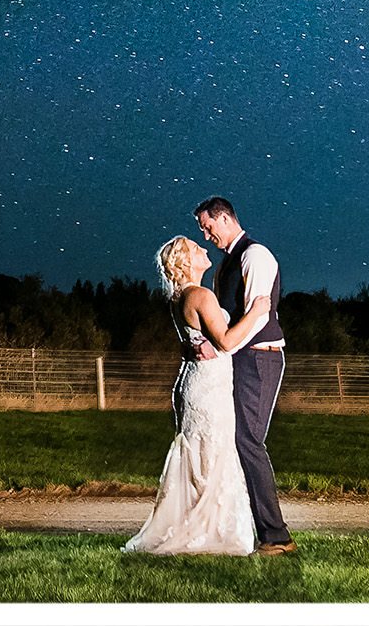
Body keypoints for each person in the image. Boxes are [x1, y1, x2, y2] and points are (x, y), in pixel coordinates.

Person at [121, 236, 255, 556]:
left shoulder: (179, 297)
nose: (205, 250)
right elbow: (225, 342)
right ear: (185, 261)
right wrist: (257, 313)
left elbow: (202, 339)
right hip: (208, 387)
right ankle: (209, 531)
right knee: (214, 453)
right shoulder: (200, 295)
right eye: (197, 249)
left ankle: (198, 525)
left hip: (193, 384)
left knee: (198, 454)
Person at [194, 196, 296, 554]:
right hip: (238, 359)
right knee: (232, 440)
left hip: (259, 360)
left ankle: (277, 536)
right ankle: (241, 528)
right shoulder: (225, 265)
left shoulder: (256, 255)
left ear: (224, 219)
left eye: (208, 227)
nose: (207, 236)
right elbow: (227, 316)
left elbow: (258, 317)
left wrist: (220, 347)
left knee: (248, 442)